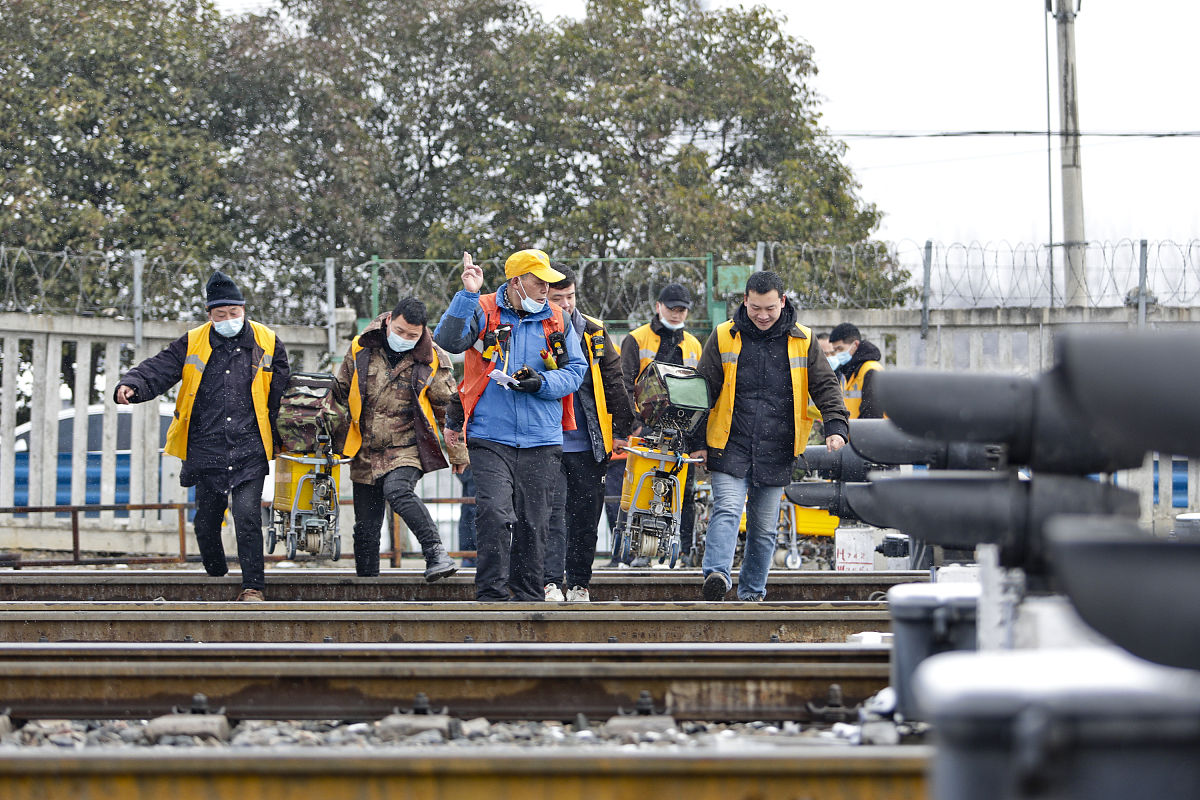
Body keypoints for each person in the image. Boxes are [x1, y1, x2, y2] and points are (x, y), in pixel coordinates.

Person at [114, 271, 289, 601]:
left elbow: (281, 392)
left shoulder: (267, 340)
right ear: (209, 315)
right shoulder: (193, 341)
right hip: (206, 447)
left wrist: (288, 435)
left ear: (243, 309)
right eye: (220, 315)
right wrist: (132, 386)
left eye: (234, 313)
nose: (228, 320)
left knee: (248, 516)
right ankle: (217, 574)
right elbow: (160, 368)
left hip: (249, 445)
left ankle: (254, 587)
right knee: (206, 523)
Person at [434, 249, 587, 601]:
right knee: (494, 513)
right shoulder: (484, 308)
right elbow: (448, 340)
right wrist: (467, 294)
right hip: (490, 434)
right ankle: (491, 595)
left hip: (542, 437)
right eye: (538, 282)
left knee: (534, 522)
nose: (545, 290)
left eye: (548, 283)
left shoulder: (558, 319)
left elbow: (575, 371)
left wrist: (542, 384)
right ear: (516, 281)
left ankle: (528, 597)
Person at [695, 270, 849, 601]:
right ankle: (717, 576)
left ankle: (751, 595)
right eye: (755, 308)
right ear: (745, 302)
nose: (762, 316)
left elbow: (824, 385)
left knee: (764, 529)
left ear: (782, 301)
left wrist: (836, 426)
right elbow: (702, 390)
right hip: (729, 442)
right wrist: (696, 443)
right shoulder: (724, 336)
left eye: (769, 308)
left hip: (778, 446)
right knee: (728, 509)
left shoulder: (803, 340)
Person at [336, 297, 467, 583]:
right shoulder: (361, 347)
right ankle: (367, 589)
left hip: (407, 445)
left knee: (398, 491)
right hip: (366, 448)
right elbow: (340, 392)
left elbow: (449, 410)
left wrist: (458, 454)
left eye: (413, 335)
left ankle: (436, 553)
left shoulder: (433, 359)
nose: (405, 338)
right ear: (388, 322)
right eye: (400, 331)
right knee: (366, 528)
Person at [541, 266, 635, 602]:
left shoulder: (593, 331)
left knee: (585, 515)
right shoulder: (533, 328)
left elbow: (614, 379)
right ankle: (550, 581)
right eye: (557, 298)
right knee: (552, 512)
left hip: (588, 441)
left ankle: (579, 583)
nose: (565, 304)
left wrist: (624, 428)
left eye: (570, 297)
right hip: (547, 440)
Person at [620, 283, 703, 565]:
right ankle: (638, 550)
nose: (677, 314)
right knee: (642, 487)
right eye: (672, 308)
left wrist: (696, 438)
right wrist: (635, 425)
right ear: (658, 306)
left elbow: (699, 392)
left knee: (682, 490)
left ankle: (683, 550)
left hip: (682, 429)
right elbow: (625, 383)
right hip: (647, 427)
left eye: (682, 310)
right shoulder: (636, 339)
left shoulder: (693, 344)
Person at [828, 322, 885, 419]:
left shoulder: (871, 370)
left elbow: (872, 415)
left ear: (855, 344)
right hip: (854, 432)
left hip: (869, 433)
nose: (837, 354)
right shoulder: (847, 372)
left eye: (840, 349)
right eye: (835, 350)